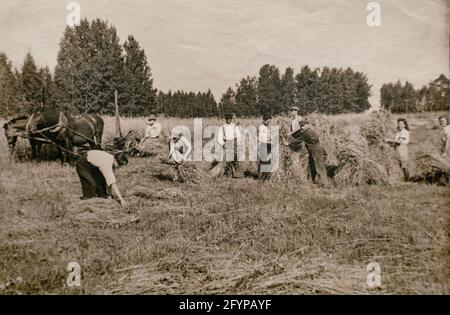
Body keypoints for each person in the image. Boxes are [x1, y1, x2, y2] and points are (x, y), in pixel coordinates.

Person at [289, 120, 328, 186]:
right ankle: (314, 181)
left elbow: (297, 141)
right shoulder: (310, 131)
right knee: (313, 165)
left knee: (319, 166)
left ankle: (324, 183)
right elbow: (300, 135)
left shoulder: (307, 132)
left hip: (315, 150)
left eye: (303, 126)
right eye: (301, 126)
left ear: (307, 125)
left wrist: (289, 139)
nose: (302, 127)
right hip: (316, 149)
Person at [217, 112, 241, 178]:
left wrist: (237, 144)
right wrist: (223, 144)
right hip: (226, 144)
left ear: (231, 119)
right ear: (225, 119)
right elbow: (219, 137)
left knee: (236, 160)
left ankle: (234, 172)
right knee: (227, 160)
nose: (229, 120)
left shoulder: (235, 126)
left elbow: (238, 136)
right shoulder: (222, 127)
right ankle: (228, 174)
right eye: (227, 119)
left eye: (230, 118)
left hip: (234, 144)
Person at [258, 112, 273, 180]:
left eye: (269, 121)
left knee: (268, 161)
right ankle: (261, 177)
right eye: (267, 121)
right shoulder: (261, 127)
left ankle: (265, 176)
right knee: (264, 161)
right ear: (264, 120)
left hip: (268, 145)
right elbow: (262, 138)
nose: (268, 123)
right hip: (263, 145)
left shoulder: (267, 127)